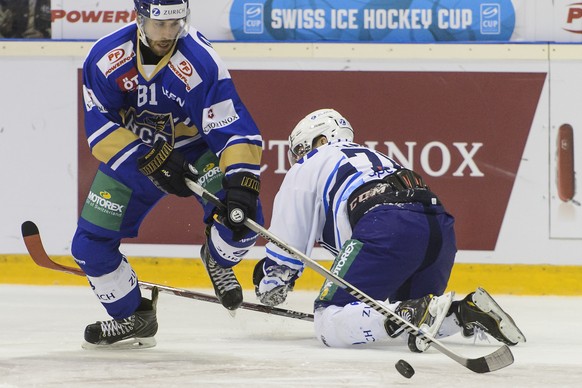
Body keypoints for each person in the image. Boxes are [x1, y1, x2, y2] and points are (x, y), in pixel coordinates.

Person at [72, 0, 264, 349]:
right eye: (159, 24)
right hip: (135, 157)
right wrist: (150, 159)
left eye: (175, 23)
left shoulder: (201, 61)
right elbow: (99, 129)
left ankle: (217, 259)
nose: (167, 33)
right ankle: (135, 317)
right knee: (89, 247)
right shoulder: (105, 57)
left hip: (195, 151)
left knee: (243, 218)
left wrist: (242, 180)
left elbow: (231, 126)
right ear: (139, 18)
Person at [253, 108, 526, 351]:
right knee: (419, 319)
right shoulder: (375, 157)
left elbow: (287, 238)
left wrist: (274, 280)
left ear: (320, 140)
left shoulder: (308, 164)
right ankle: (464, 312)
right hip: (438, 227)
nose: (299, 157)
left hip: (388, 226)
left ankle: (408, 312)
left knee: (327, 321)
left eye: (301, 148)